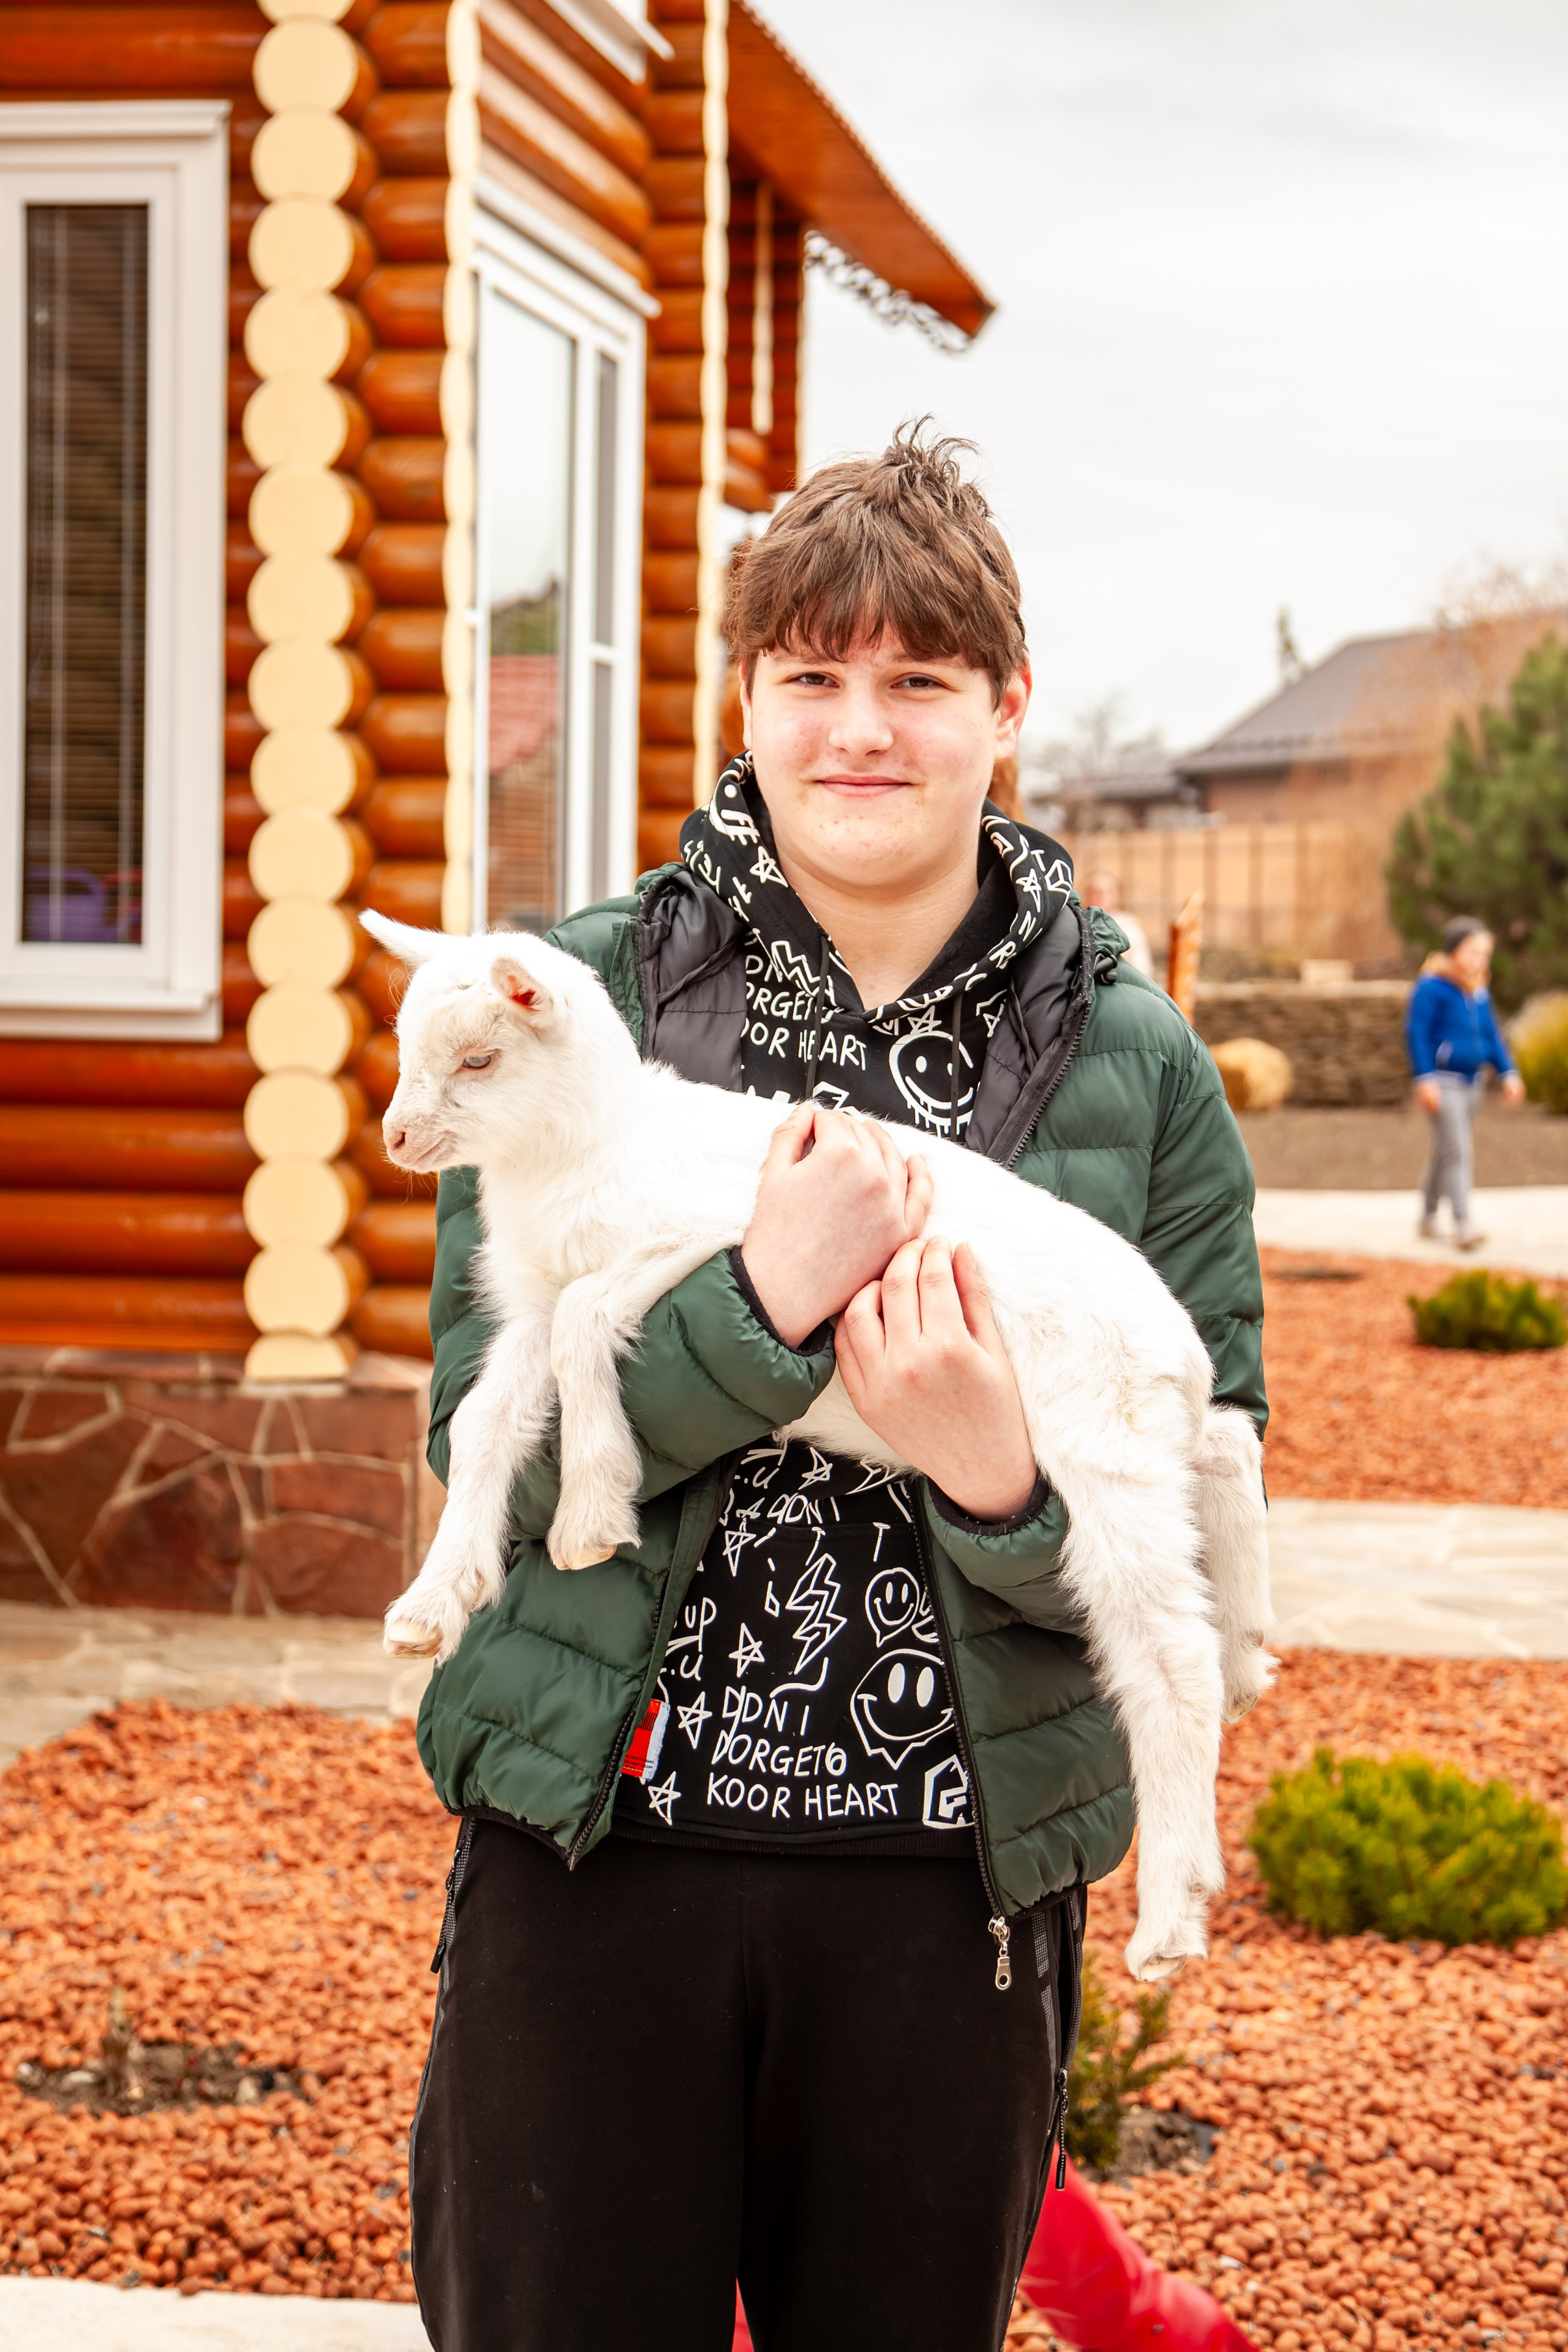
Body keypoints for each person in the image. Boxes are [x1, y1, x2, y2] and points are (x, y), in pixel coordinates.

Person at [408, 427, 1265, 2352]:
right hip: (594, 1859)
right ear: (746, 695)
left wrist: (998, 1488)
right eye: (809, 676)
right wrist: (766, 1312)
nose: (857, 728)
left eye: (917, 681)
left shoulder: (1135, 1068)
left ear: (1005, 705)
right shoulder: (570, 999)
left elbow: (1193, 1515)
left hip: (937, 1900)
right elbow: (483, 1405)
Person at [1406, 916, 1525, 1250]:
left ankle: (1428, 1216)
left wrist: (1509, 1072)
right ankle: (1463, 1224)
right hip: (1443, 1082)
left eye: (1485, 954)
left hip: (1473, 1084)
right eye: (1474, 951)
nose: (1480, 960)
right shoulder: (1431, 987)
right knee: (1458, 1150)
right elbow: (1417, 1034)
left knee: (1447, 1150)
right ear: (1454, 949)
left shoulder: (1478, 990)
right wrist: (1424, 1078)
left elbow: (1492, 1036)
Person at [1082, 869, 1155, 981]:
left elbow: (1143, 973)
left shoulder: (1130, 932)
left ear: (1115, 896)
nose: (1094, 898)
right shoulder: (1078, 927)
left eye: (1099, 893)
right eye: (1090, 892)